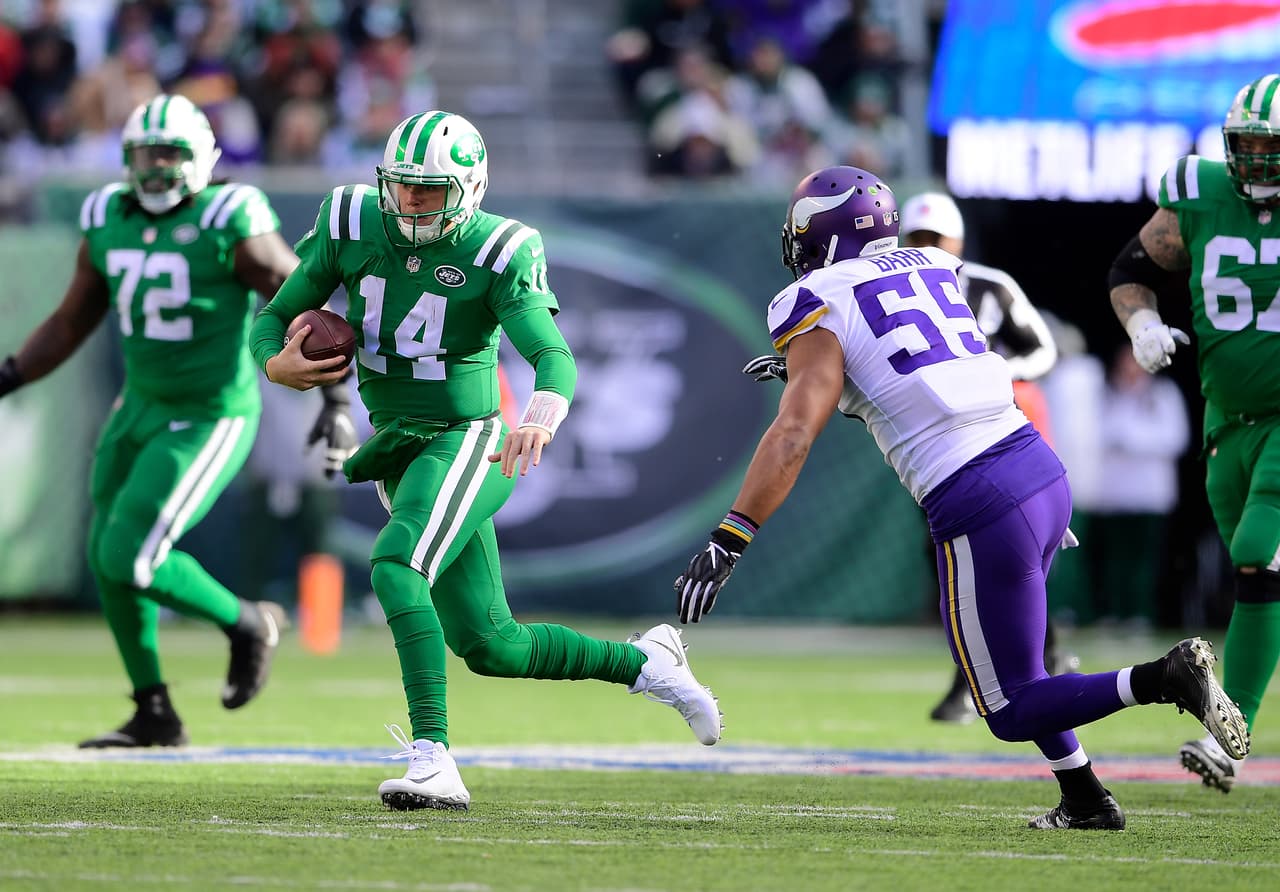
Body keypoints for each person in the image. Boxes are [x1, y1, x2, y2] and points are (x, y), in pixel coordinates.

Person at [678, 164, 1249, 830]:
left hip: (976, 494)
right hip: (1036, 467)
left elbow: (795, 432)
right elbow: (915, 362)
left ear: (823, 234)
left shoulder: (813, 297)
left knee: (1008, 707)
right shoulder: (929, 266)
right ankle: (1086, 797)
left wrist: (730, 537)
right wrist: (811, 364)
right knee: (1026, 668)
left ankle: (1165, 678)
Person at [249, 110, 722, 812]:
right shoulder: (349, 217)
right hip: (400, 446)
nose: (412, 202)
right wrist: (276, 365)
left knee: (395, 564)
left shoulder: (501, 247)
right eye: (403, 187)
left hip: (471, 435)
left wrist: (540, 414)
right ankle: (649, 664)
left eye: (430, 190)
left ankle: (432, 758)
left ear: (468, 188)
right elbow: (270, 320)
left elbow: (552, 356)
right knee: (491, 645)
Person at [0, 94, 311, 747]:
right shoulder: (107, 215)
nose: (157, 167)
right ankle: (154, 710)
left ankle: (247, 622)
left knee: (129, 551)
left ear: (201, 159)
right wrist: (9, 376)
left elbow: (298, 296)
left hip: (209, 412)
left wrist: (334, 397)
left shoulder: (231, 216)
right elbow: (69, 321)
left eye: (170, 154)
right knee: (105, 555)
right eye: (145, 154)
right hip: (138, 406)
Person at [1108, 73, 1280, 793]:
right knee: (1256, 579)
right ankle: (1234, 731)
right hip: (1224, 418)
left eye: (1269, 147)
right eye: (1245, 145)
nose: (1255, 161)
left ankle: (1231, 729)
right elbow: (1130, 269)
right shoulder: (1200, 193)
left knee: (1256, 553)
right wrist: (1142, 323)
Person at [895, 191, 1073, 724]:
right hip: (940, 443)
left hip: (1003, 426)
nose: (927, 249)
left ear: (957, 243)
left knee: (1007, 555)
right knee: (952, 557)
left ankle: (979, 678)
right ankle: (1042, 652)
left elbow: (1045, 347)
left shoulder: (989, 284)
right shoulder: (891, 289)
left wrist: (997, 369)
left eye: (935, 240)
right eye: (918, 239)